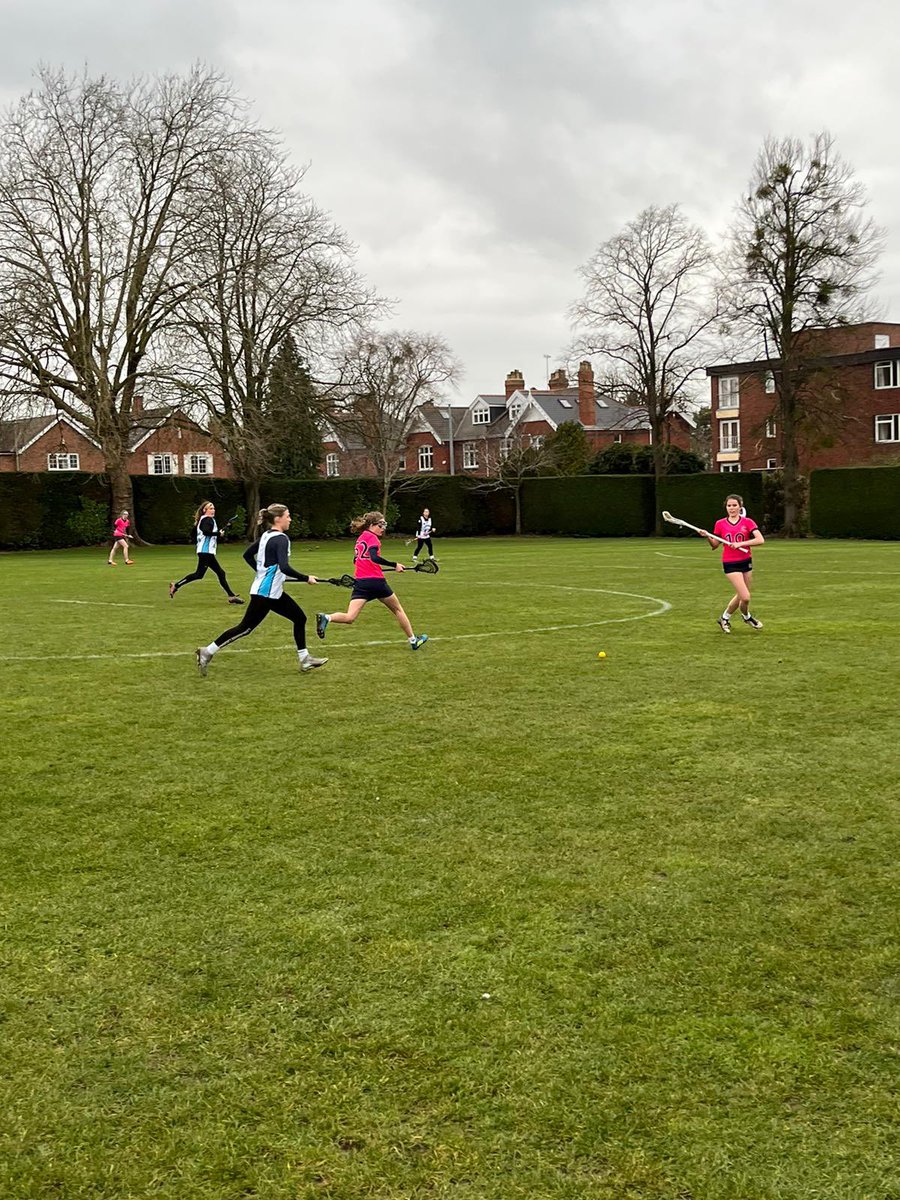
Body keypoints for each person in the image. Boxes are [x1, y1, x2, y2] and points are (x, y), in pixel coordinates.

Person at [195, 504, 327, 676]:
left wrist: (262, 573)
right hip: (266, 594)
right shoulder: (281, 539)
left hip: (270, 591)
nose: (290, 519)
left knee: (299, 618)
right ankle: (207, 651)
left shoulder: (266, 535)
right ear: (278, 518)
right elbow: (285, 567)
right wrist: (306, 578)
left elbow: (247, 555)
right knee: (245, 628)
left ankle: (305, 659)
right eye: (288, 515)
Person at [316, 511, 428, 651]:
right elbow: (374, 558)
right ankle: (413, 640)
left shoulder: (361, 538)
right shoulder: (373, 539)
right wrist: (395, 565)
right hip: (376, 582)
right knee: (398, 610)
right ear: (372, 525)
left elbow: (356, 560)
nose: (383, 528)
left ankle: (327, 617)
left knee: (350, 617)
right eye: (381, 525)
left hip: (361, 583)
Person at [697, 493, 765, 634]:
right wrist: (708, 536)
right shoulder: (720, 524)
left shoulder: (748, 522)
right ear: (726, 507)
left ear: (740, 507)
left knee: (742, 595)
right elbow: (715, 545)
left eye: (734, 505)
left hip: (746, 561)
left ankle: (733, 618)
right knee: (745, 596)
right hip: (730, 563)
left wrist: (741, 543)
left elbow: (760, 540)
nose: (731, 508)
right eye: (729, 505)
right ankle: (742, 617)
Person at [170, 501, 243, 604]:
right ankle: (176, 586)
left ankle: (231, 596)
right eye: (210, 508)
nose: (213, 510)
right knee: (199, 574)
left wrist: (223, 530)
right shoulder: (207, 519)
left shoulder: (205, 520)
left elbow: (198, 533)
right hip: (206, 552)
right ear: (205, 510)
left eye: (213, 508)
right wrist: (218, 533)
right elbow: (206, 532)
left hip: (206, 551)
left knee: (220, 573)